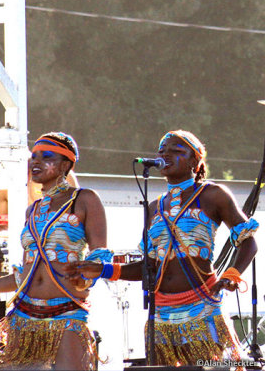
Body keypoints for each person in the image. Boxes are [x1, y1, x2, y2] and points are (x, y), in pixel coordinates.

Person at [66, 130, 259, 367]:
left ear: (195, 162)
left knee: (209, 367)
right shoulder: (154, 207)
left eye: (177, 151)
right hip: (161, 315)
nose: (165, 155)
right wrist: (102, 269)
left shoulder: (213, 195)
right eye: (161, 151)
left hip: (202, 306)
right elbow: (148, 267)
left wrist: (232, 275)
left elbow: (248, 242)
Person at [0, 132, 111, 370]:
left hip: (66, 314)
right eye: (34, 157)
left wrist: (86, 278)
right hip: (24, 315)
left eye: (46, 157)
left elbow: (100, 253)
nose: (35, 162)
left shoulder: (84, 199)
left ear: (66, 164)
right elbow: (25, 274)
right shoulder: (33, 211)